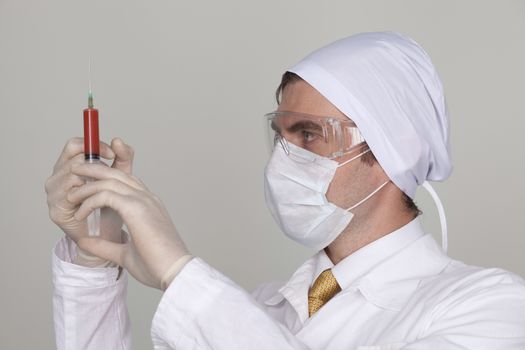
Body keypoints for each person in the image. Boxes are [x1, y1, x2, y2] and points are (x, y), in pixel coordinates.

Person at [46, 32, 525, 349]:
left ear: (391, 151)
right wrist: (93, 264)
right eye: (281, 134)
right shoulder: (261, 307)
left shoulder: (489, 306)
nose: (282, 158)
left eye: (309, 134)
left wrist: (179, 271)